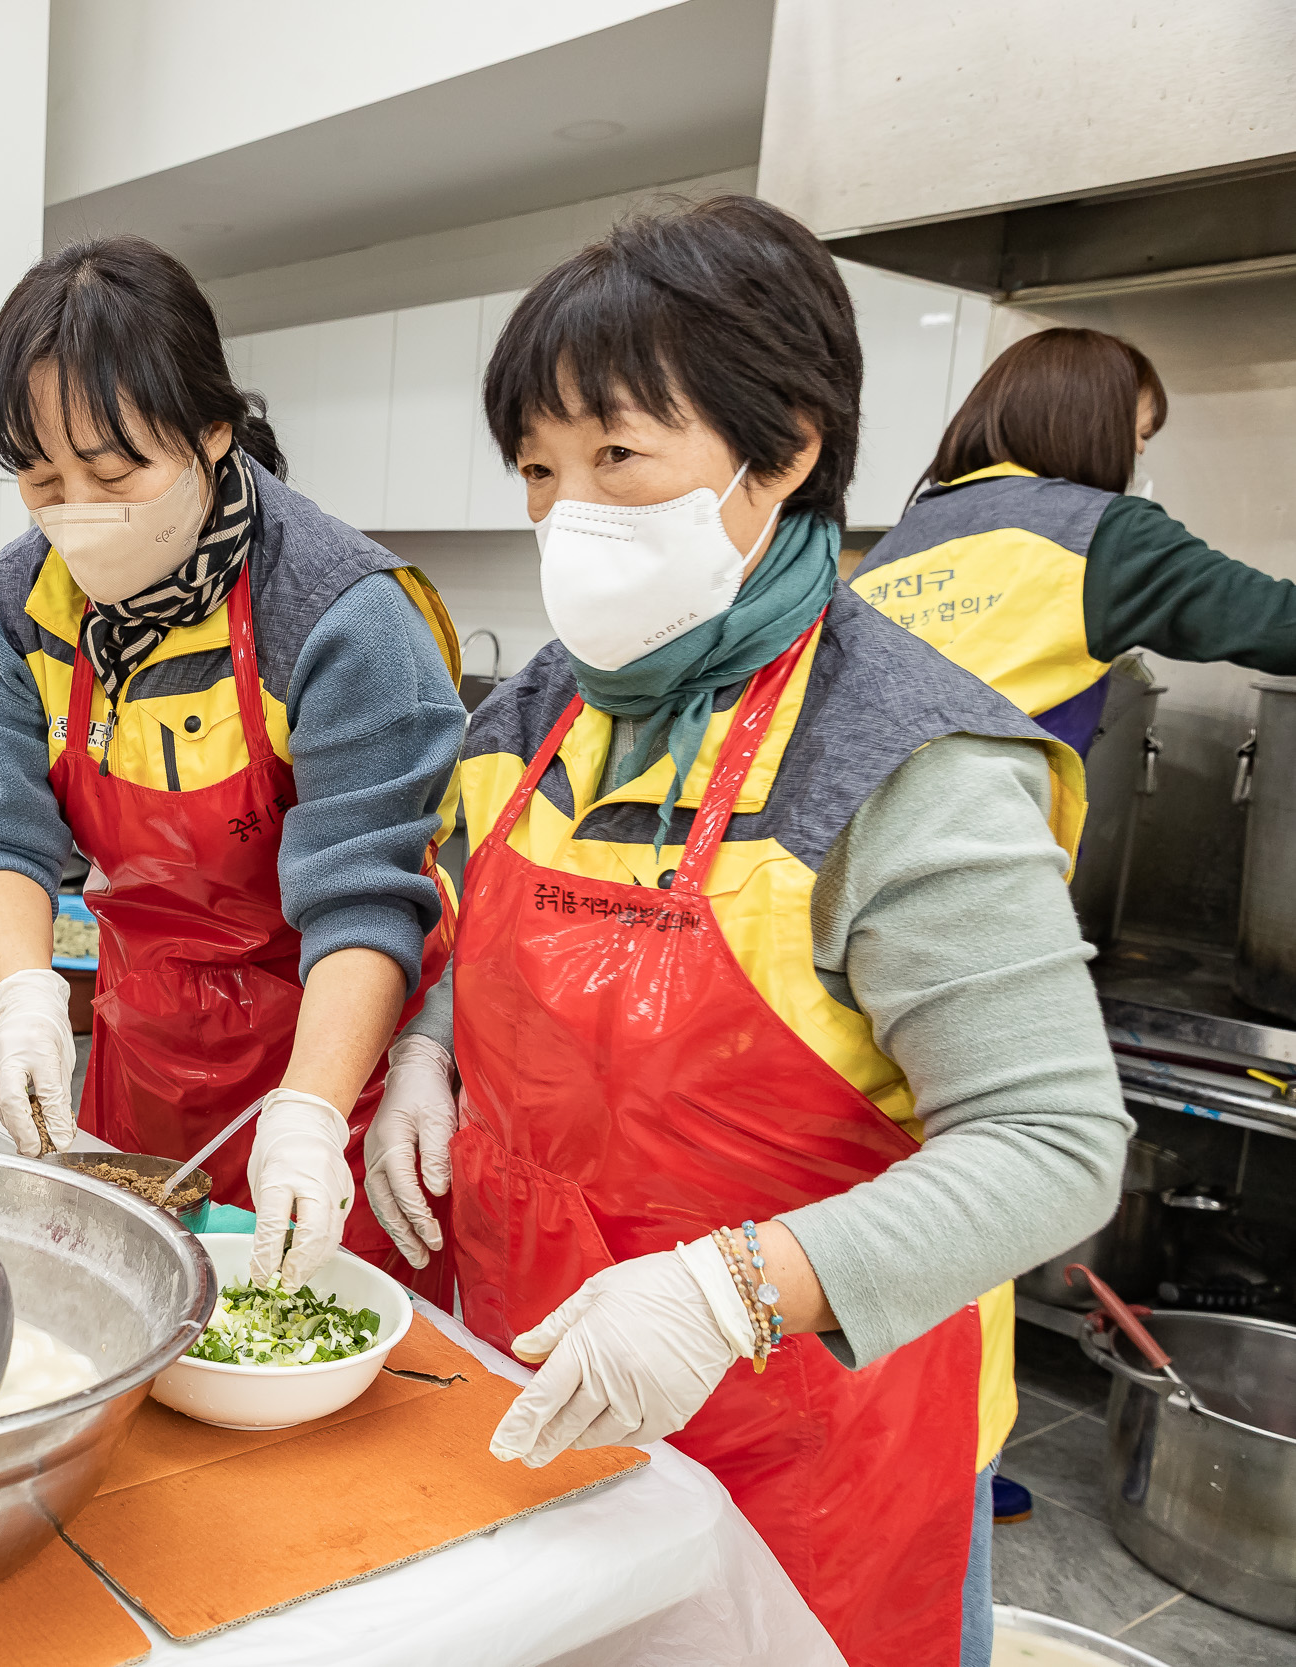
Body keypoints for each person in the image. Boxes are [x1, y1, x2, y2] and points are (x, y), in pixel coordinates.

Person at [362, 197, 1129, 1666]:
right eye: (538, 466)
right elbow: (490, 948)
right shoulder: (534, 713)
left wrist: (730, 1287)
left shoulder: (908, 761)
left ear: (781, 446)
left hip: (821, 1455)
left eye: (618, 457)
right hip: (556, 1412)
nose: (566, 509)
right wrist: (425, 1054)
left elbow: (1051, 1143)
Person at [0, 235, 470, 1293]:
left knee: (316, 1352)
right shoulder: (22, 600)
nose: (76, 511)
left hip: (331, 1049)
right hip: (146, 1051)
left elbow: (364, 901)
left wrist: (312, 1116)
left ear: (214, 431)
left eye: (115, 469)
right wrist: (25, 999)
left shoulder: (338, 614)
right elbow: (1, 827)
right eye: (41, 478)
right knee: (127, 1318)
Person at [855, 326, 1296, 754]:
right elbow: (1281, 627)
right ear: (1091, 426)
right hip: (981, 820)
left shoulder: (906, 536)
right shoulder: (1101, 534)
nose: (1138, 453)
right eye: (1139, 435)